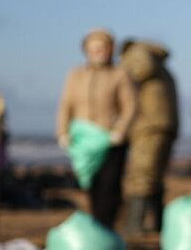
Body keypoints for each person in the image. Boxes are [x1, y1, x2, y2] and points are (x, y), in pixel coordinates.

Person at [56, 27, 135, 229]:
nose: (98, 52)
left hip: (111, 141)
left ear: (110, 50)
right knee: (91, 187)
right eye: (94, 48)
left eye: (103, 48)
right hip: (83, 140)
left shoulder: (119, 74)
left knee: (109, 187)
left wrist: (120, 131)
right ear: (86, 50)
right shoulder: (76, 75)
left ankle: (106, 227)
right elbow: (66, 105)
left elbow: (130, 106)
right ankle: (97, 225)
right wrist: (63, 132)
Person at [119, 38, 179, 235]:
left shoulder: (137, 54)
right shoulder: (162, 67)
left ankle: (135, 225)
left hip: (148, 126)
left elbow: (140, 69)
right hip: (164, 125)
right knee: (154, 176)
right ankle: (158, 224)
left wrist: (120, 75)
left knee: (141, 175)